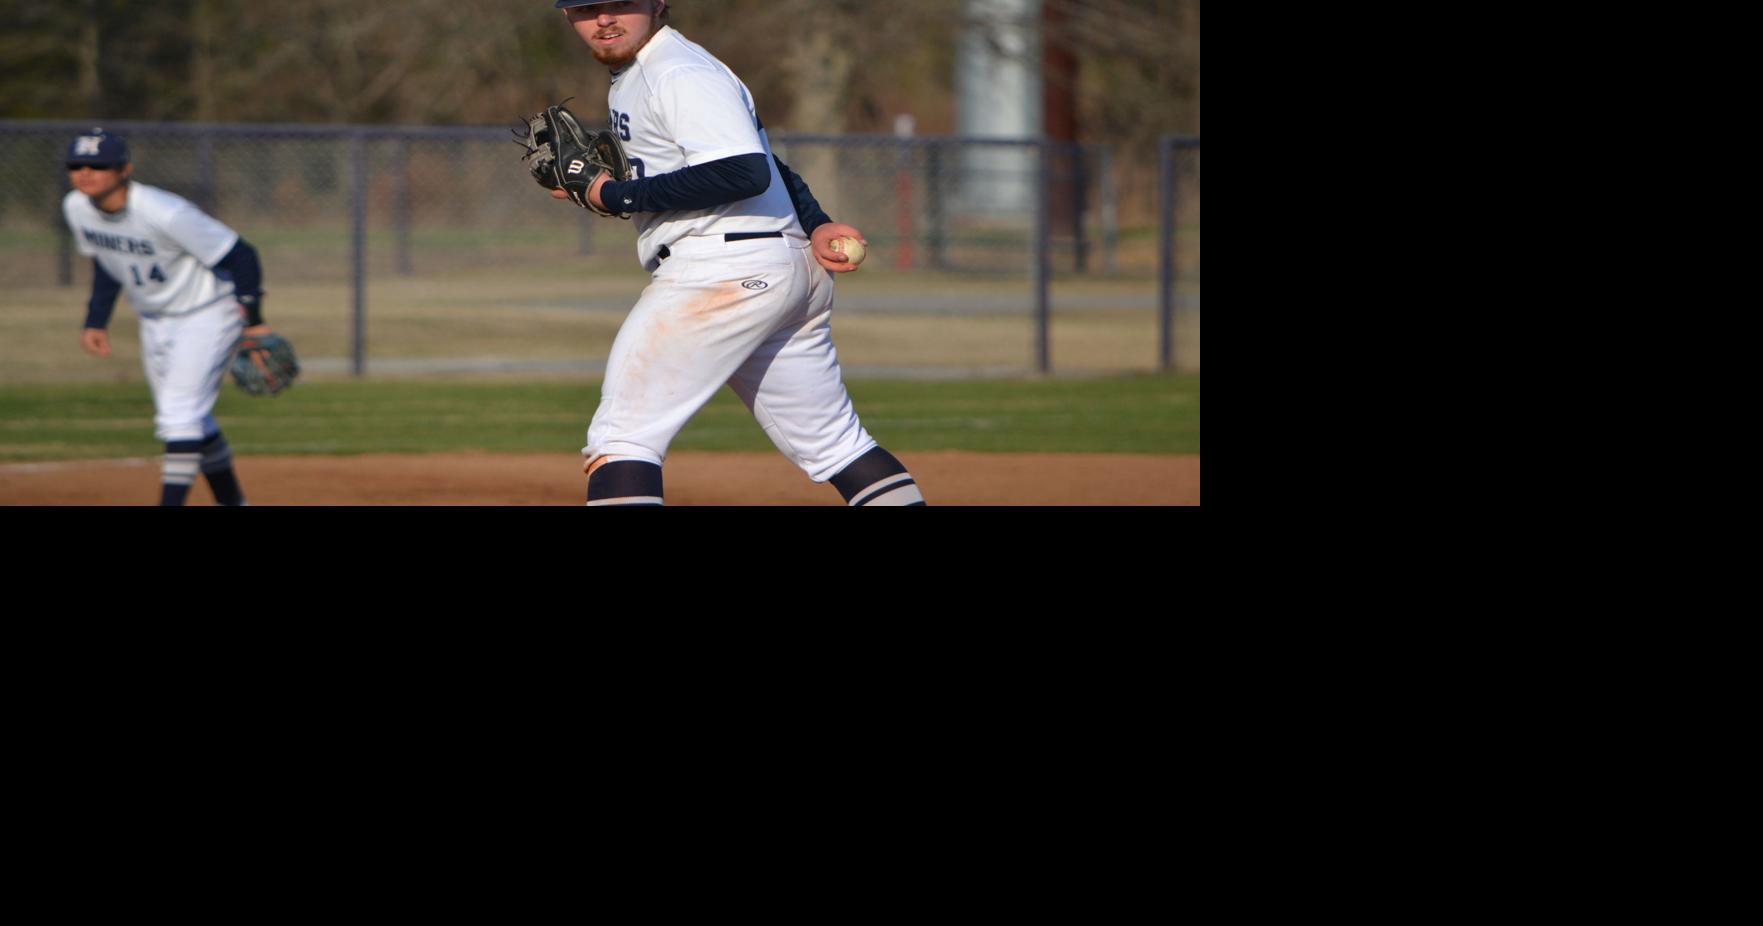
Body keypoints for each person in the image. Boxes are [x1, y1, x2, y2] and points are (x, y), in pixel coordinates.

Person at [551, 0, 926, 506]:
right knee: (838, 446)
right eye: (585, 8)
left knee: (623, 439)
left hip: (724, 271)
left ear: (658, 4)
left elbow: (743, 171)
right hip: (774, 264)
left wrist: (611, 196)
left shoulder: (677, 71)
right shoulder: (650, 70)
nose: (604, 19)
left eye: (621, 4)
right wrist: (814, 222)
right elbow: (761, 160)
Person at [61, 127, 276, 506]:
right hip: (155, 318)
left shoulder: (165, 211)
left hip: (207, 312)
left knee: (179, 415)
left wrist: (254, 320)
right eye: (76, 165)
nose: (85, 173)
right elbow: (107, 262)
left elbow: (241, 255)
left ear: (124, 169)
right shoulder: (76, 208)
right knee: (191, 419)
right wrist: (96, 319)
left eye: (98, 165)